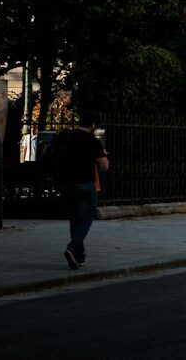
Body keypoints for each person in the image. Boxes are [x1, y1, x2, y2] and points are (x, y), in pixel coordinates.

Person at [52, 115, 109, 270]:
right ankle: (72, 247)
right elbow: (104, 166)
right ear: (93, 124)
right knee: (85, 220)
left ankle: (79, 256)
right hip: (85, 183)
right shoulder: (93, 141)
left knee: (74, 219)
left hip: (66, 183)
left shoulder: (66, 137)